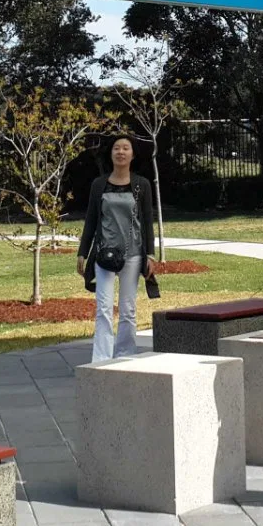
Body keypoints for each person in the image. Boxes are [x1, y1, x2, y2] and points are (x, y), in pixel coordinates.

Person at [77, 136, 157, 361]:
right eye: (116, 148)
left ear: (132, 154)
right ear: (111, 153)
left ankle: (125, 354)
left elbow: (147, 222)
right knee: (103, 308)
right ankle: (101, 358)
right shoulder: (99, 185)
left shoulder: (142, 185)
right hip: (104, 255)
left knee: (128, 310)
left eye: (125, 148)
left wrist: (150, 254)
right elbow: (91, 220)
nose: (120, 152)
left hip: (132, 255)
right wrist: (82, 252)